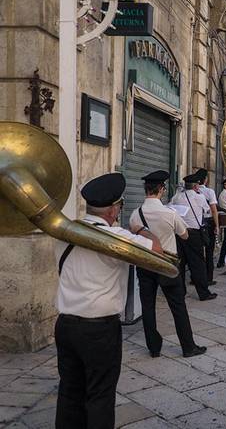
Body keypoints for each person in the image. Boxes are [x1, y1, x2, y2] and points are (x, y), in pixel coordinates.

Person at [54, 173, 162, 429]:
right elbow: (157, 250)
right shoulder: (119, 238)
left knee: (69, 391)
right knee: (100, 394)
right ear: (114, 209)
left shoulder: (64, 232)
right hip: (99, 330)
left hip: (66, 325)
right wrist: (142, 229)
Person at [129, 171, 207, 359]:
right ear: (162, 190)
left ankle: (154, 348)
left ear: (146, 190)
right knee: (178, 306)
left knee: (148, 306)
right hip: (167, 264)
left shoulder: (135, 214)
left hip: (146, 263)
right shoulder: (169, 213)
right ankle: (188, 347)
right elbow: (185, 235)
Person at [170, 174, 217, 301]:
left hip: (179, 233)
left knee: (181, 262)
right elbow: (207, 210)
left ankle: (180, 292)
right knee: (197, 263)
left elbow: (170, 206)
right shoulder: (199, 197)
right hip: (194, 234)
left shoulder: (177, 196)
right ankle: (203, 293)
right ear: (196, 186)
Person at [195, 168, 219, 285]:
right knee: (209, 251)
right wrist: (217, 226)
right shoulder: (209, 192)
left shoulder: (191, 191)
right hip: (208, 222)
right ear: (205, 179)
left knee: (197, 252)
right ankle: (208, 278)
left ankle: (196, 278)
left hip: (196, 222)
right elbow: (214, 210)